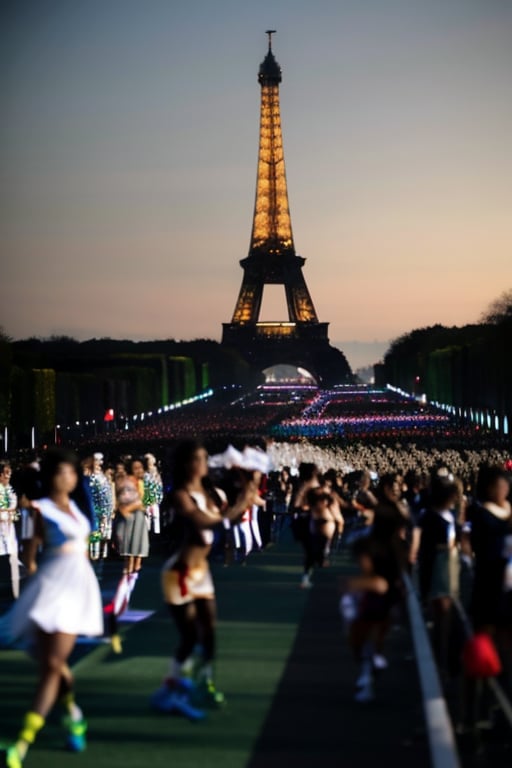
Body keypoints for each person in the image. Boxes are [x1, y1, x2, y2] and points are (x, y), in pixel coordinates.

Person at [0, 448, 103, 767]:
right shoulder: (39, 510)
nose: (67, 477)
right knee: (54, 664)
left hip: (78, 588)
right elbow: (29, 556)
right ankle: (73, 716)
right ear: (50, 475)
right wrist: (34, 581)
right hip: (51, 586)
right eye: (61, 471)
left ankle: (23, 742)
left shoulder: (76, 507)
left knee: (54, 664)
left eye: (71, 472)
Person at [151, 440, 257, 717]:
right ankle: (172, 690)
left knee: (208, 632)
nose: (204, 463)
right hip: (180, 572)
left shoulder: (208, 493)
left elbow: (226, 520)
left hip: (201, 573)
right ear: (187, 464)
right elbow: (202, 522)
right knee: (189, 636)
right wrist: (240, 503)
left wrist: (246, 491)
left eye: (204, 458)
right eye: (198, 458)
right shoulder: (181, 494)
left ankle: (203, 682)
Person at [415, 476, 461, 678]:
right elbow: (424, 549)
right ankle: (438, 659)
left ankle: (444, 658)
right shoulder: (429, 517)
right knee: (441, 614)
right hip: (437, 567)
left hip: (451, 566)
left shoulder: (452, 514)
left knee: (449, 616)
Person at [0, 461, 19, 599]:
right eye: (6, 472)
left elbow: (13, 504)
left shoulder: (9, 488)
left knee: (10, 550)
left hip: (8, 525)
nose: (9, 475)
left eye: (10, 472)